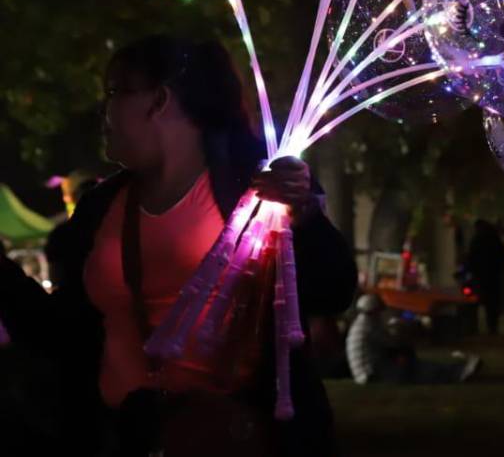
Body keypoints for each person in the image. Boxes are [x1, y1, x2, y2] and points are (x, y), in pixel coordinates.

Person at [0, 35, 358, 457]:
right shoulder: (101, 208)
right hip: (123, 436)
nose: (104, 110)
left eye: (115, 91)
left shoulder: (262, 191)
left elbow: (333, 291)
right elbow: (61, 330)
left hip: (239, 438)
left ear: (159, 100)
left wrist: (307, 220)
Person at [345, 295, 479, 385]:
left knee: (411, 366)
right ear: (374, 310)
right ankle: (457, 372)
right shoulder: (369, 326)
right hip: (372, 374)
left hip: (367, 372)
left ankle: (456, 370)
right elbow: (392, 343)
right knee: (414, 369)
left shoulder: (363, 324)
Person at [466, 220, 504, 335]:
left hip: (482, 274)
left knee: (480, 300)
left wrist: (472, 269)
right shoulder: (495, 240)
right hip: (493, 275)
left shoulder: (478, 240)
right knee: (493, 302)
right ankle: (492, 326)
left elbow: (472, 257)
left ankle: (477, 326)